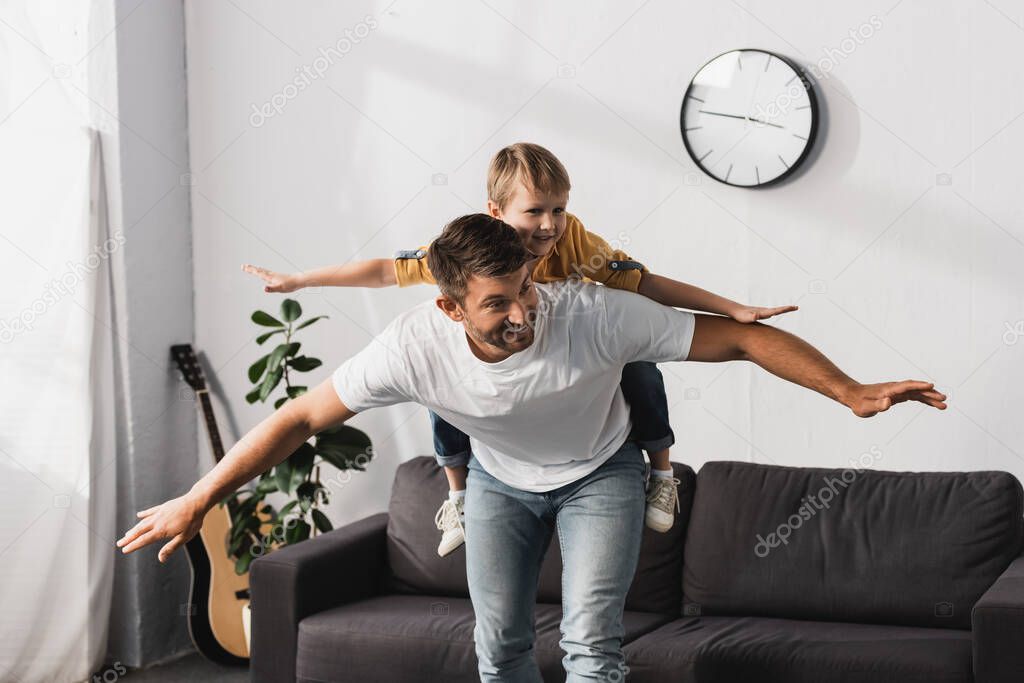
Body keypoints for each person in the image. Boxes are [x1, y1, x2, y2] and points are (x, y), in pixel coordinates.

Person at [119, 214, 945, 682]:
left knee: (590, 643)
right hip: (500, 485)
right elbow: (299, 417)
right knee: (501, 644)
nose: (523, 314)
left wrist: (850, 390)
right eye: (497, 305)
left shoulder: (588, 312)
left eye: (525, 291)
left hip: (602, 477)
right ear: (448, 308)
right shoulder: (413, 347)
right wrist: (200, 496)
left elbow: (733, 339)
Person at [241, 142, 799, 556]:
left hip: (577, 355)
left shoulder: (577, 241)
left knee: (642, 366)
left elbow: (647, 282)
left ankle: (660, 474)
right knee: (444, 390)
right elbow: (385, 270)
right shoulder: (468, 252)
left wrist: (732, 308)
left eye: (557, 208)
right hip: (496, 367)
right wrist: (303, 280)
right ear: (496, 211)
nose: (549, 225)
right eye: (534, 212)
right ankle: (458, 493)